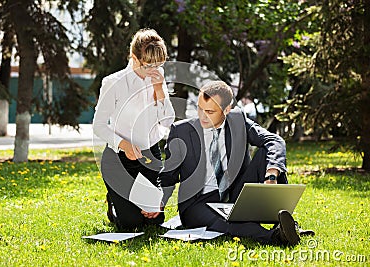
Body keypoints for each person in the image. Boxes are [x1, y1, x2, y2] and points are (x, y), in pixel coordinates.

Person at [157, 80, 303, 246]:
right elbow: (168, 175)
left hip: (237, 194)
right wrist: (159, 202)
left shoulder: (238, 120)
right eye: (200, 108)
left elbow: (274, 141)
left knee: (268, 154)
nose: (202, 116)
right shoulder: (181, 131)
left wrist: (271, 174)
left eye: (210, 111)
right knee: (226, 224)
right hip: (198, 204)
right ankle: (276, 237)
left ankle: (282, 224)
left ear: (226, 110)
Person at [92, 28, 175, 230]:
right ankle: (114, 201)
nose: (154, 70)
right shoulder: (113, 83)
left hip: (150, 157)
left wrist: (159, 89)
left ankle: (127, 201)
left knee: (154, 219)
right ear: (134, 58)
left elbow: (168, 121)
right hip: (118, 160)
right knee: (131, 223)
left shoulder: (157, 77)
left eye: (159, 65)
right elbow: (99, 125)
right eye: (149, 65)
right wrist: (123, 145)